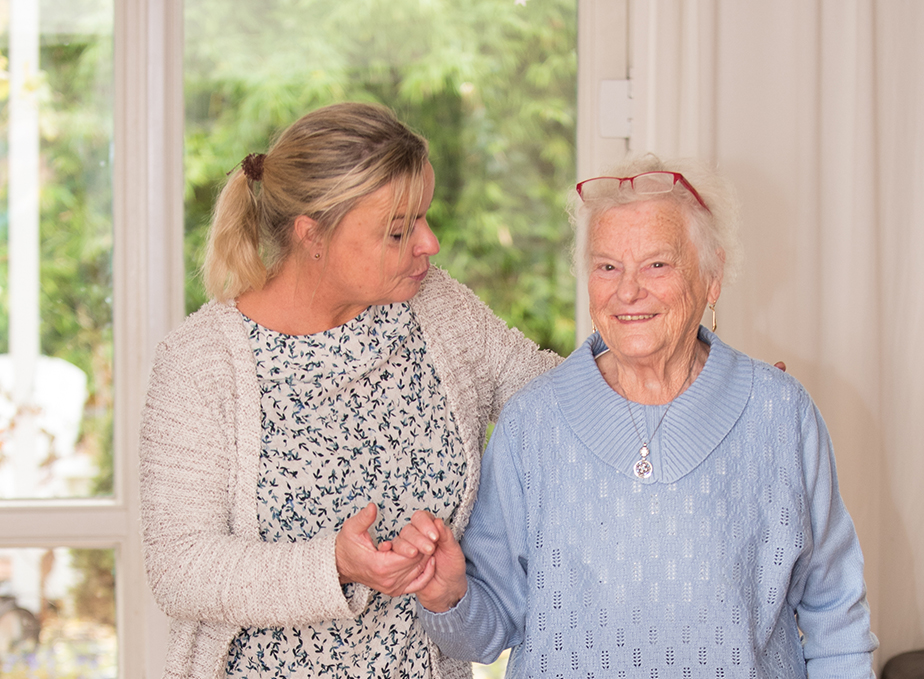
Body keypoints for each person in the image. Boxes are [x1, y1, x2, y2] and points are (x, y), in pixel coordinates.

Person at [400, 154, 880, 677]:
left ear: (711, 277)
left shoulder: (781, 414)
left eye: (657, 264)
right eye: (608, 266)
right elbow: (486, 633)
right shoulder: (531, 424)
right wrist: (448, 595)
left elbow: (836, 615)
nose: (628, 291)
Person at [138, 102, 560, 679]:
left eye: (424, 218)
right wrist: (334, 565)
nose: (429, 244)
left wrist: (649, 339)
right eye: (399, 230)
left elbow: (552, 403)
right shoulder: (202, 361)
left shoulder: (436, 309)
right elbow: (181, 568)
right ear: (313, 234)